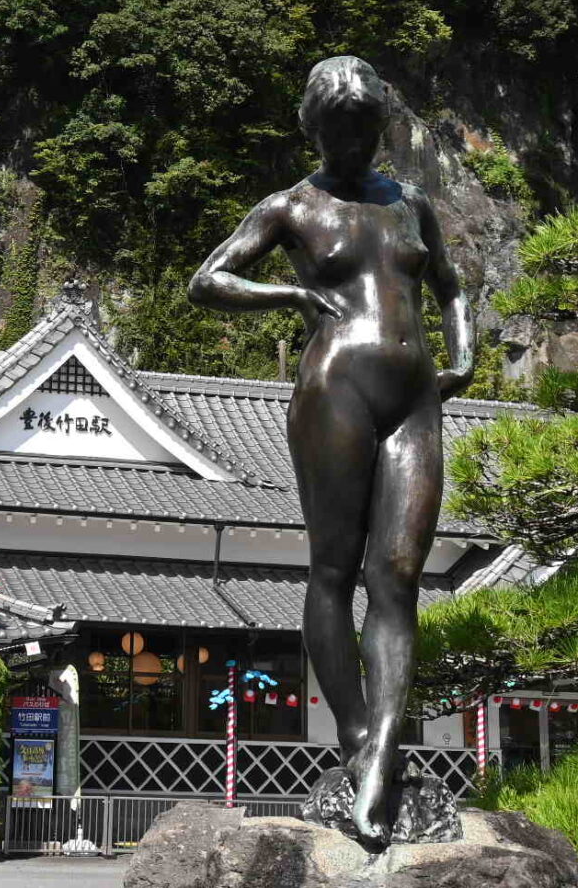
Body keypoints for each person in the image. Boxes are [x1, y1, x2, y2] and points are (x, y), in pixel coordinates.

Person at [189, 55, 471, 846]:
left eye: (365, 131)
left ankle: (383, 746)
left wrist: (467, 357)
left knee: (402, 574)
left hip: (416, 398)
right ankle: (358, 740)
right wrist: (292, 293)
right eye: (337, 131)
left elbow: (449, 284)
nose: (353, 144)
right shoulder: (291, 206)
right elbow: (207, 280)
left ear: (381, 130)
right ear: (313, 129)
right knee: (335, 569)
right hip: (334, 388)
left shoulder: (411, 202)